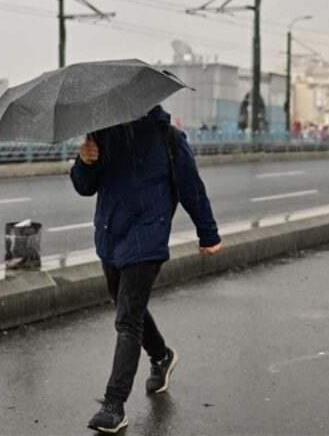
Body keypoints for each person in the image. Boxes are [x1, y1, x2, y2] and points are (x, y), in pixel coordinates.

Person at [71, 105, 222, 434]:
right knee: (126, 304)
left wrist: (208, 234)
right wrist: (84, 161)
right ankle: (162, 355)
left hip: (148, 234)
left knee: (127, 318)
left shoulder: (167, 137)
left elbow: (191, 188)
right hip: (111, 233)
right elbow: (85, 187)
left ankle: (114, 405)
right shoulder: (101, 134)